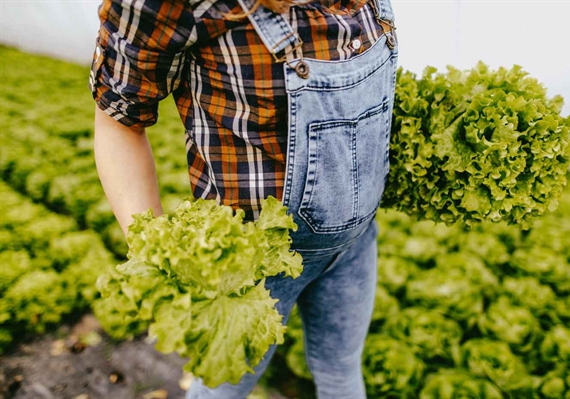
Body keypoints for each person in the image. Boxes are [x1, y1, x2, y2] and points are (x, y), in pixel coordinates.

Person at [90, 0, 398, 397]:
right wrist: (166, 265)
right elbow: (119, 120)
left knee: (342, 372)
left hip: (354, 246)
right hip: (251, 268)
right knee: (221, 392)